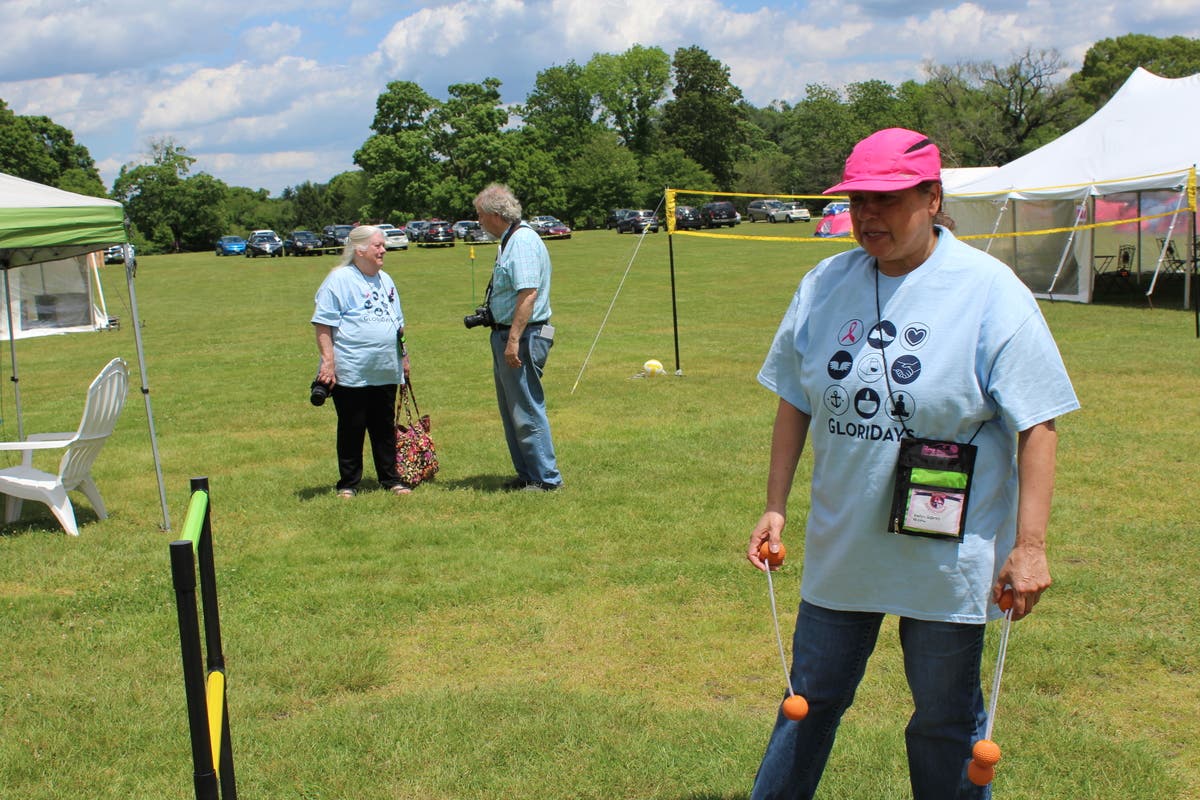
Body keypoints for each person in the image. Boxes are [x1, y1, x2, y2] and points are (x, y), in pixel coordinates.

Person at [745, 128, 1080, 799]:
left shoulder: (988, 290)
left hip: (946, 555)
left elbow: (1038, 422)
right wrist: (775, 505)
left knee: (945, 721)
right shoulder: (824, 284)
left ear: (932, 199)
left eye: (888, 199)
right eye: (859, 200)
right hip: (845, 547)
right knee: (808, 702)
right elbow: (794, 399)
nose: (869, 214)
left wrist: (1031, 546)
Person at [473, 183, 562, 491]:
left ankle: (546, 479)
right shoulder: (510, 240)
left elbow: (528, 294)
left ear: (496, 215)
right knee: (513, 409)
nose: (479, 222)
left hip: (523, 337)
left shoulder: (521, 241)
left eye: (481, 216)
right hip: (512, 335)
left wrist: (512, 341)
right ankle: (528, 475)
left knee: (526, 408)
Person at [311, 225, 412, 498]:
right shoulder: (339, 279)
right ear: (359, 250)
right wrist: (328, 363)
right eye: (378, 245)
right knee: (352, 427)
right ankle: (348, 484)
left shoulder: (386, 280)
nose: (383, 250)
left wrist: (404, 356)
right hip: (352, 369)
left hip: (385, 368)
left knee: (384, 427)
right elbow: (323, 324)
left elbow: (398, 325)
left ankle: (391, 479)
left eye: (383, 245)